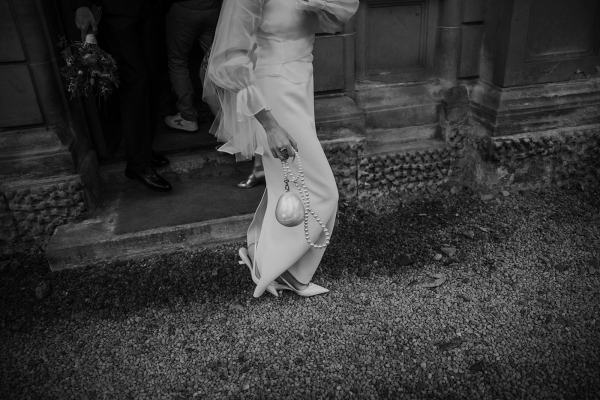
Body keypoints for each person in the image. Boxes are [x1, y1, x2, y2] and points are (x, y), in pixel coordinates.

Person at [203, 0, 358, 297]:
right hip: (272, 92)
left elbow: (338, 16)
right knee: (322, 191)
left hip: (300, 84)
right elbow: (228, 62)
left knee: (284, 181)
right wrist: (270, 125)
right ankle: (286, 271)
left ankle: (260, 253)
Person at [73, 0, 173, 192]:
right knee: (136, 82)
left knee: (151, 79)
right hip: (117, 14)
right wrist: (81, 5)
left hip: (149, 10)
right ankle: (138, 164)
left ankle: (144, 150)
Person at [163, 0, 222, 132]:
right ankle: (224, 116)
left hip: (185, 8)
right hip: (213, 8)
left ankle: (187, 116)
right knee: (215, 61)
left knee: (177, 62)